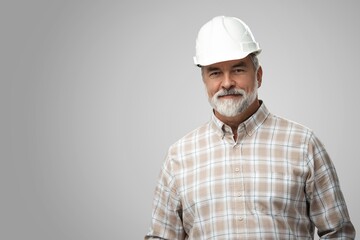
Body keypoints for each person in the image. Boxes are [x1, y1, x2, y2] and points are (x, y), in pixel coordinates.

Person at [144, 16, 355, 239]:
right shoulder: (179, 156)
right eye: (215, 72)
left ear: (259, 75)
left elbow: (337, 232)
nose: (226, 83)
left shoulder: (303, 144)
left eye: (237, 70)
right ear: (204, 81)